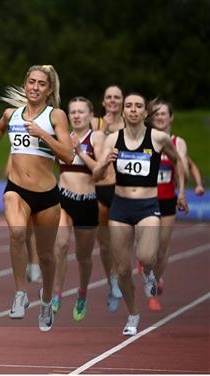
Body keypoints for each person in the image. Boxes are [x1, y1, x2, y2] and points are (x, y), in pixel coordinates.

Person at [0, 65, 73, 332]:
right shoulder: (12, 114)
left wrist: (44, 135)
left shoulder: (55, 116)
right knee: (17, 234)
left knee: (46, 256)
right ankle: (20, 292)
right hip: (17, 189)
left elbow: (68, 156)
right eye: (31, 82)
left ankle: (46, 300)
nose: (35, 87)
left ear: (49, 89)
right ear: (25, 85)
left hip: (46, 195)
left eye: (41, 84)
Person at [93, 93, 187, 336]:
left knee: (146, 257)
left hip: (147, 206)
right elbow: (96, 176)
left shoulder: (158, 137)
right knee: (122, 269)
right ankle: (133, 314)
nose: (133, 110)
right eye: (129, 106)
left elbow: (178, 162)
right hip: (121, 207)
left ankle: (148, 274)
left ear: (145, 113)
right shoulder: (112, 138)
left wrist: (182, 192)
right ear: (123, 112)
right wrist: (105, 163)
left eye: (138, 106)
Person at [51, 97, 104, 320]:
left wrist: (80, 152)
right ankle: (56, 293)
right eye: (72, 112)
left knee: (83, 256)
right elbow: (55, 164)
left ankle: (82, 293)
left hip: (88, 201)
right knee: (61, 244)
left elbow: (100, 171)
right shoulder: (63, 137)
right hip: (64, 198)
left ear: (90, 115)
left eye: (81, 112)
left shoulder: (97, 137)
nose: (76, 115)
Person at [147, 99, 198, 311]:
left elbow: (181, 169)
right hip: (145, 199)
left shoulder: (178, 143)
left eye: (163, 114)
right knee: (146, 245)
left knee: (162, 246)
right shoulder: (143, 139)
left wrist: (183, 194)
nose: (159, 117)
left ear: (171, 117)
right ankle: (147, 268)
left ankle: (156, 281)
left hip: (167, 198)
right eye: (156, 114)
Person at [91, 85, 125, 312]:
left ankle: (120, 275)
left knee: (121, 242)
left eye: (117, 97)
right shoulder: (95, 124)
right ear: (103, 102)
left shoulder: (131, 125)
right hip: (100, 188)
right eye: (108, 97)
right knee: (103, 243)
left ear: (122, 101)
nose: (112, 100)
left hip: (124, 190)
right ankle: (111, 279)